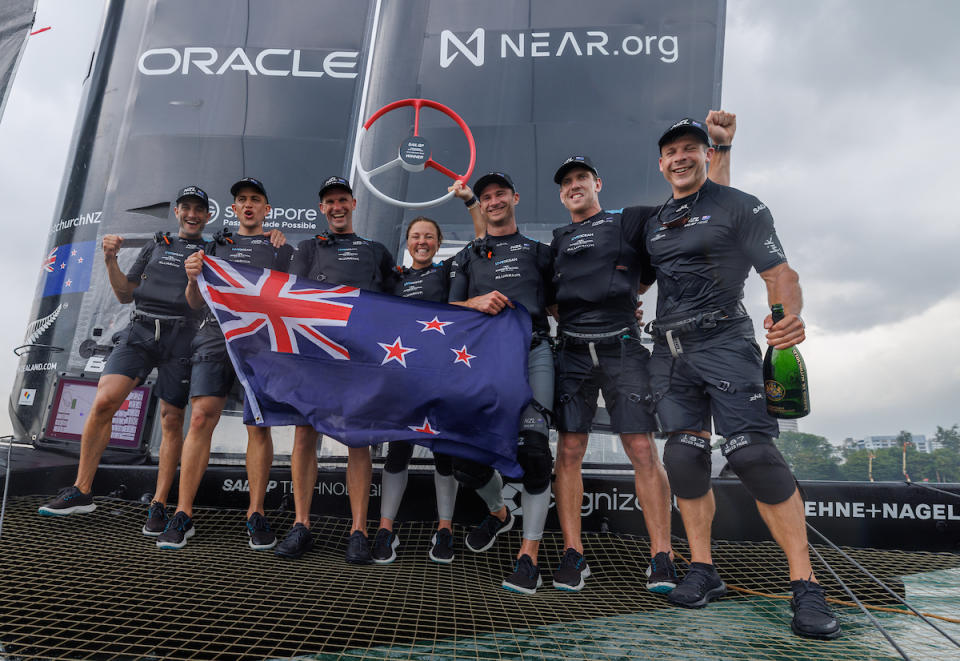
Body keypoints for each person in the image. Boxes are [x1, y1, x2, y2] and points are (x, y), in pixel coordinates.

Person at [645, 117, 840, 639]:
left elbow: (780, 275)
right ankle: (703, 570)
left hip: (726, 342)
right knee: (683, 458)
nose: (680, 157)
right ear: (660, 163)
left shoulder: (741, 205)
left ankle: (806, 586)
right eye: (670, 151)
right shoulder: (654, 220)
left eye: (691, 148)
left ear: (706, 154)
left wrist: (786, 316)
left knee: (753, 455)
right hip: (670, 352)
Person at [548, 112, 735, 593]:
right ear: (561, 192)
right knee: (569, 450)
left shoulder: (630, 219)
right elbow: (550, 296)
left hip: (623, 347)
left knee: (639, 449)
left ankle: (662, 556)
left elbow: (695, 206)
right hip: (571, 349)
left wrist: (722, 152)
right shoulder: (557, 240)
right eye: (566, 182)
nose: (574, 187)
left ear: (597, 184)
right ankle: (573, 555)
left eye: (581, 179)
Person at [38, 186, 210, 533]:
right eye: (186, 207)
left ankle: (159, 504)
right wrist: (109, 259)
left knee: (171, 418)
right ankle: (82, 491)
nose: (192, 214)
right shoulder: (156, 244)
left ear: (207, 216)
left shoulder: (211, 250)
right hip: (140, 330)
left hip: (182, 335)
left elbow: (197, 306)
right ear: (177, 211)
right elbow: (123, 293)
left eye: (199, 210)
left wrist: (195, 276)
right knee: (104, 401)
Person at [156, 177, 292, 550]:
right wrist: (192, 279)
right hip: (216, 336)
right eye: (242, 200)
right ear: (233, 209)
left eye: (256, 200)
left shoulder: (282, 248)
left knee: (258, 427)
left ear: (266, 209)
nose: (248, 205)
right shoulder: (216, 245)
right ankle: (183, 513)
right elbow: (195, 302)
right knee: (199, 418)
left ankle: (256, 513)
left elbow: (292, 301)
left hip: (261, 343)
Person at [275, 176, 399, 562]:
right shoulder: (308, 248)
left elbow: (399, 304)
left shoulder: (376, 251)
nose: (337, 207)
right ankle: (301, 525)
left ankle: (358, 530)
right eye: (329, 201)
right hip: (315, 355)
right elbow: (289, 296)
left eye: (343, 199)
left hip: (360, 357)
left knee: (357, 440)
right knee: (304, 435)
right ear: (322, 208)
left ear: (354, 203)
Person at [446, 172, 556, 594]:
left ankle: (528, 556)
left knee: (534, 453)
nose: (493, 201)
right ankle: (498, 512)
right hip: (482, 361)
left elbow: (565, 303)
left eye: (500, 194)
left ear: (515, 197)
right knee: (467, 463)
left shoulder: (539, 252)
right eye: (486, 196)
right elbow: (448, 310)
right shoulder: (468, 255)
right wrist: (473, 301)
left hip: (533, 352)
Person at [372, 193, 485, 565]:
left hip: (442, 374)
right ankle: (386, 528)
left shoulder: (448, 270)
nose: (422, 242)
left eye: (429, 237)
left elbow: (482, 240)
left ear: (438, 243)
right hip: (403, 378)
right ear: (407, 244)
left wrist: (470, 201)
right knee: (398, 452)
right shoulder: (393, 279)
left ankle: (445, 528)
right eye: (415, 236)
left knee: (444, 454)